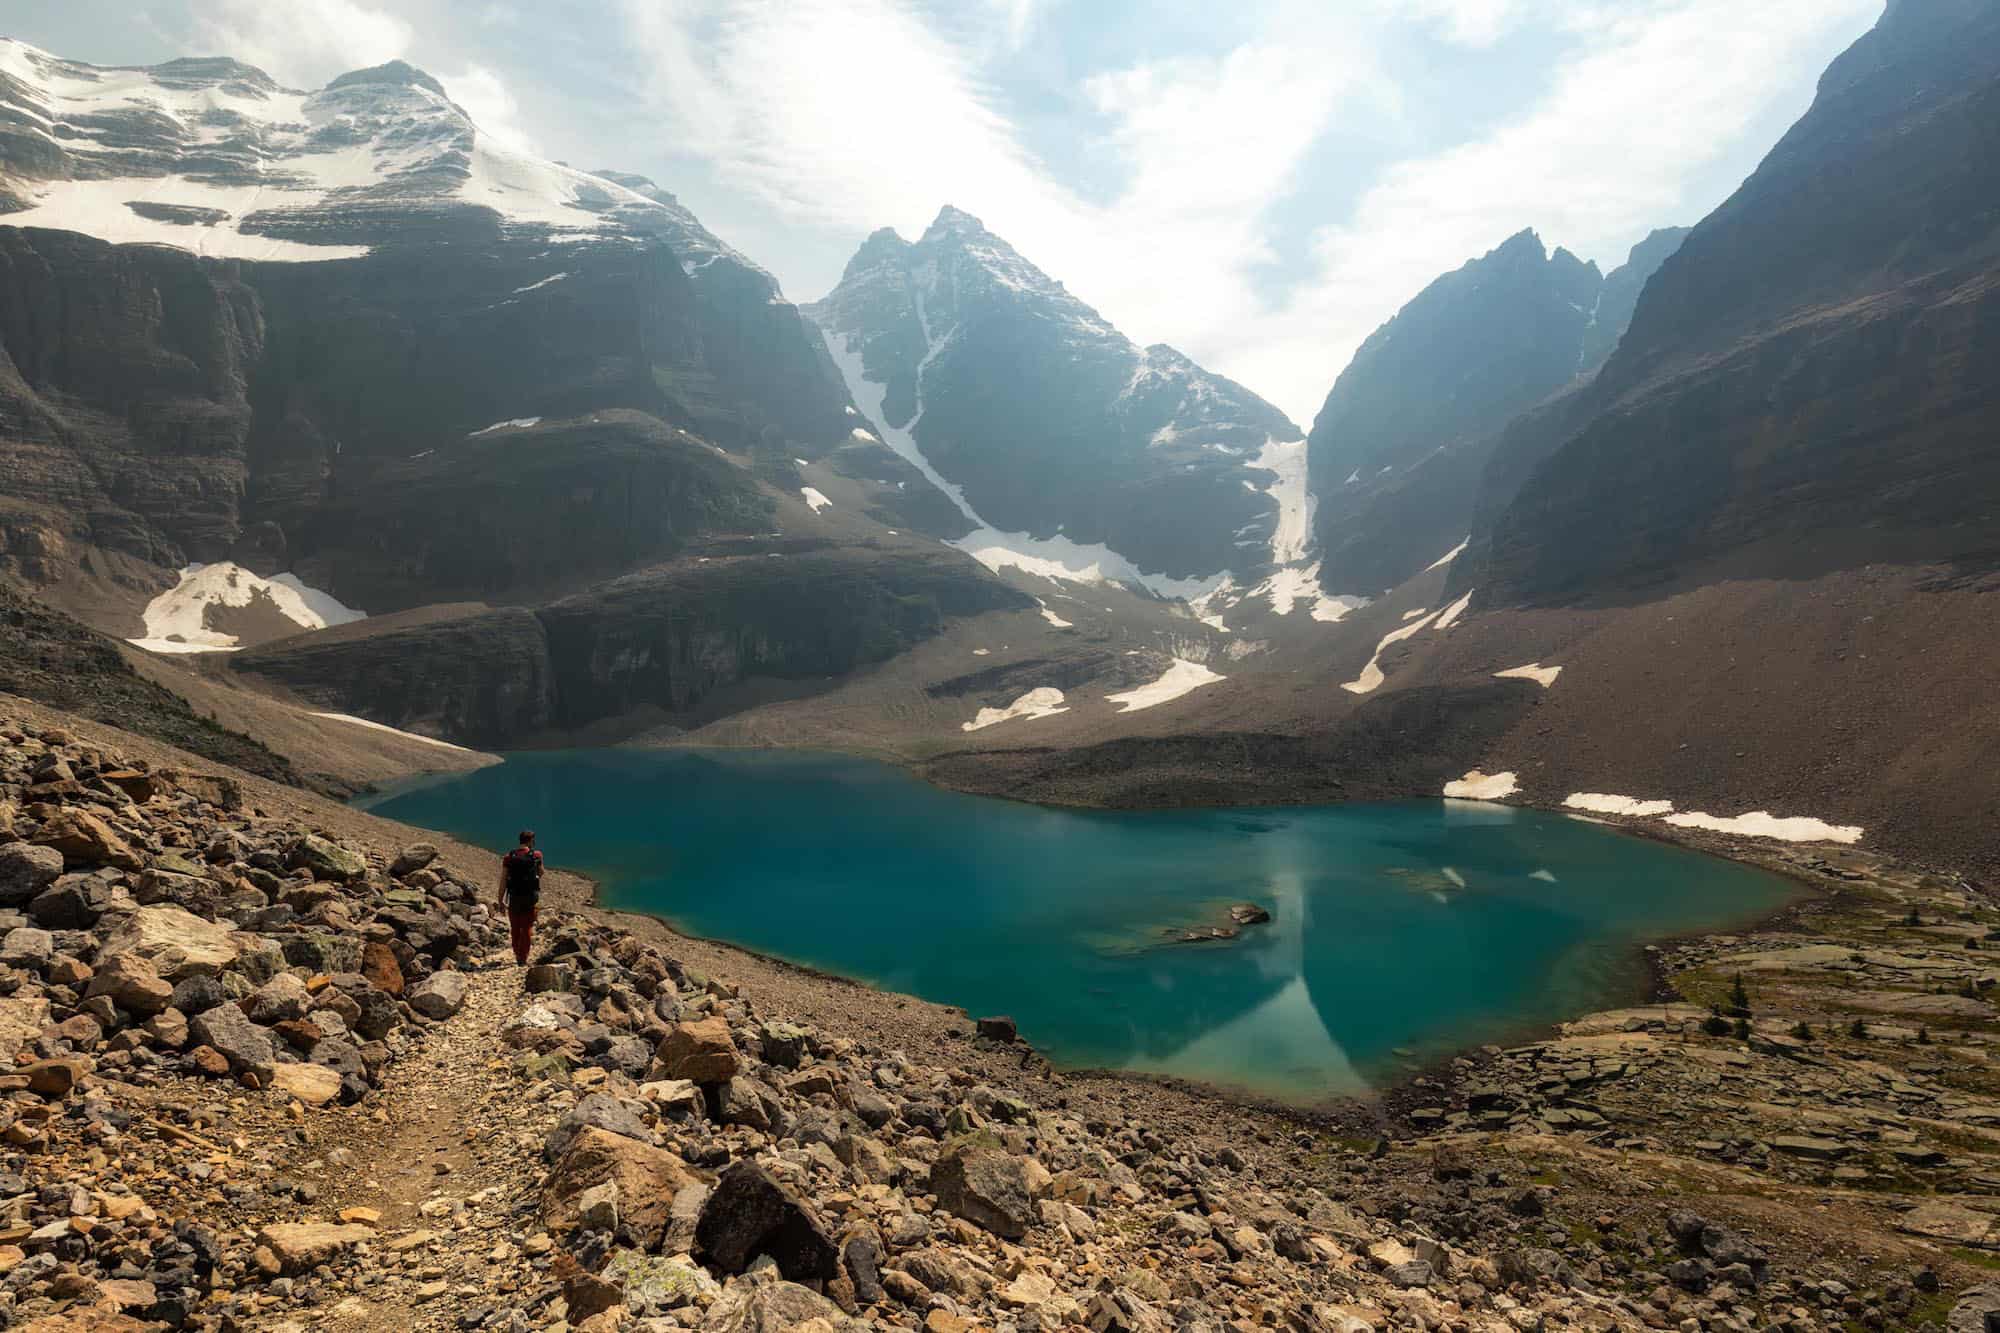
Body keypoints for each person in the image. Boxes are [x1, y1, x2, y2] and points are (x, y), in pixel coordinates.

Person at [499, 830, 543, 966]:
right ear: (531, 841)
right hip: (530, 897)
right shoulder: (536, 855)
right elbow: (541, 872)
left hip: (514, 897)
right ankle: (523, 958)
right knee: (527, 927)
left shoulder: (509, 857)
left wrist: (500, 900)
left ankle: (517, 953)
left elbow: (503, 880)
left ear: (520, 840)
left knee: (515, 927)